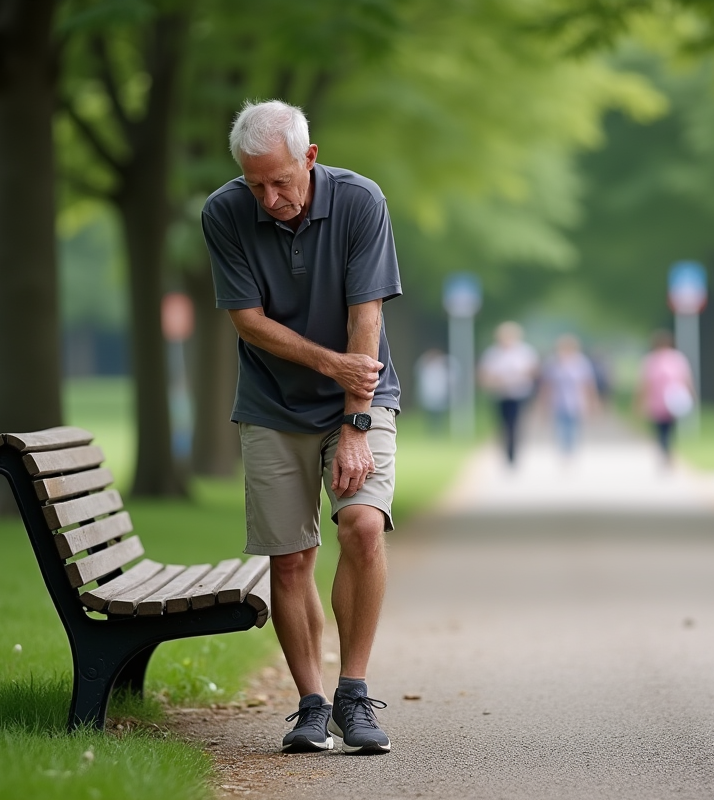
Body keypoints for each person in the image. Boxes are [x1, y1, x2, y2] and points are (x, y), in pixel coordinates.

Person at [201, 100, 399, 755]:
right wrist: (326, 362)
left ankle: (354, 694)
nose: (269, 197)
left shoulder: (360, 202)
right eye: (256, 184)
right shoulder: (225, 213)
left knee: (363, 524)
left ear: (309, 157)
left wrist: (355, 426)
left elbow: (364, 319)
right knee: (289, 559)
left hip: (360, 397)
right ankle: (312, 705)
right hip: (271, 404)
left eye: (280, 181)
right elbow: (248, 321)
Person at [477, 321, 539, 465]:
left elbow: (534, 371)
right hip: (500, 394)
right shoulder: (492, 353)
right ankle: (505, 448)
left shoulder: (525, 352)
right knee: (502, 424)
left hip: (520, 394)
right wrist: (493, 381)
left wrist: (520, 375)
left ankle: (513, 451)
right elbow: (484, 374)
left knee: (516, 424)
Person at [635, 329, 695, 467]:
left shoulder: (650, 360)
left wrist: (639, 402)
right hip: (673, 400)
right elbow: (686, 379)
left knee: (660, 429)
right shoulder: (677, 358)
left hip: (658, 401)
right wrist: (691, 395)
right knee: (668, 429)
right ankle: (667, 451)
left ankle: (664, 450)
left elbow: (644, 384)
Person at [538, 334, 600, 458]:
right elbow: (547, 384)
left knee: (574, 426)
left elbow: (588, 383)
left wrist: (593, 401)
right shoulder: (553, 362)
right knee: (559, 426)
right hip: (557, 400)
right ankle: (563, 450)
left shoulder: (582, 362)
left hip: (577, 400)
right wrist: (543, 402)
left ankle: (571, 450)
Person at [414, 348, 452, 433]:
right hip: (429, 393)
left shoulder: (442, 365)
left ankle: (438, 429)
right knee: (430, 414)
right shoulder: (425, 365)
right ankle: (431, 430)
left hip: (439, 393)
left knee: (439, 414)